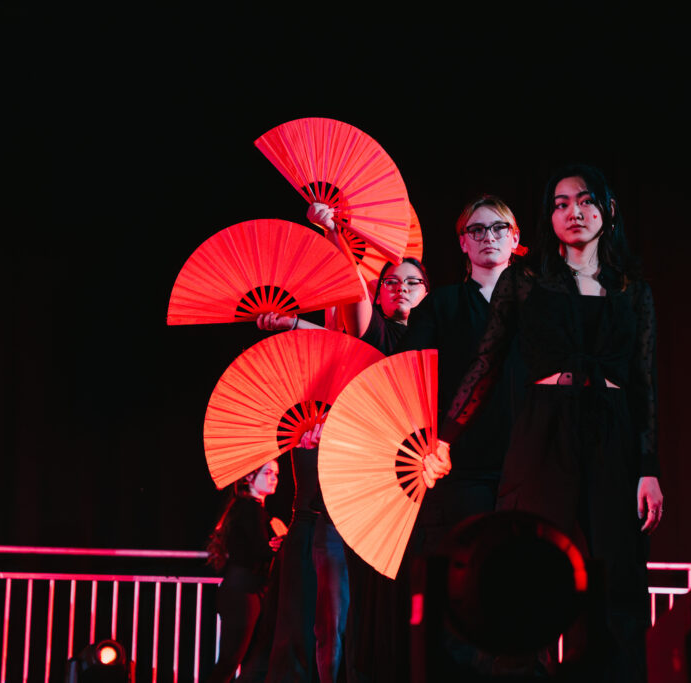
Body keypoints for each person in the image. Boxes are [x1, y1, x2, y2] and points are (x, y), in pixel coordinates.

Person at [439, 165, 664, 682]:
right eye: (560, 203)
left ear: (606, 210)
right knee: (528, 570)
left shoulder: (633, 289)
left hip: (612, 434)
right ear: (549, 216)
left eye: (585, 201)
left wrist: (648, 466)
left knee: (613, 581)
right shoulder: (527, 278)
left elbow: (645, 384)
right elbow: (487, 361)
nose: (573, 212)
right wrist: (448, 435)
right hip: (543, 432)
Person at [256, 202, 438, 683]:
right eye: (391, 282)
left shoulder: (441, 341)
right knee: (340, 613)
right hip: (361, 486)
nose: (401, 288)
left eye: (412, 283)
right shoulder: (374, 336)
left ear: (428, 293)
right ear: (377, 293)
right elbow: (346, 306)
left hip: (418, 489)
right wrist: (334, 232)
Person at [399, 194, 527, 555]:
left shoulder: (538, 305)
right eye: (477, 229)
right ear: (463, 242)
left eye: (499, 228)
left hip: (528, 464)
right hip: (460, 465)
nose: (489, 236)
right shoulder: (441, 305)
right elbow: (407, 375)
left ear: (514, 239)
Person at [206, 461, 283, 683]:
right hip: (242, 593)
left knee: (250, 659)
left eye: (276, 474)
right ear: (249, 478)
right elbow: (259, 550)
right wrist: (283, 544)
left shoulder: (253, 508)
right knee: (232, 659)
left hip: (248, 591)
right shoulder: (249, 508)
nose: (273, 478)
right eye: (267, 473)